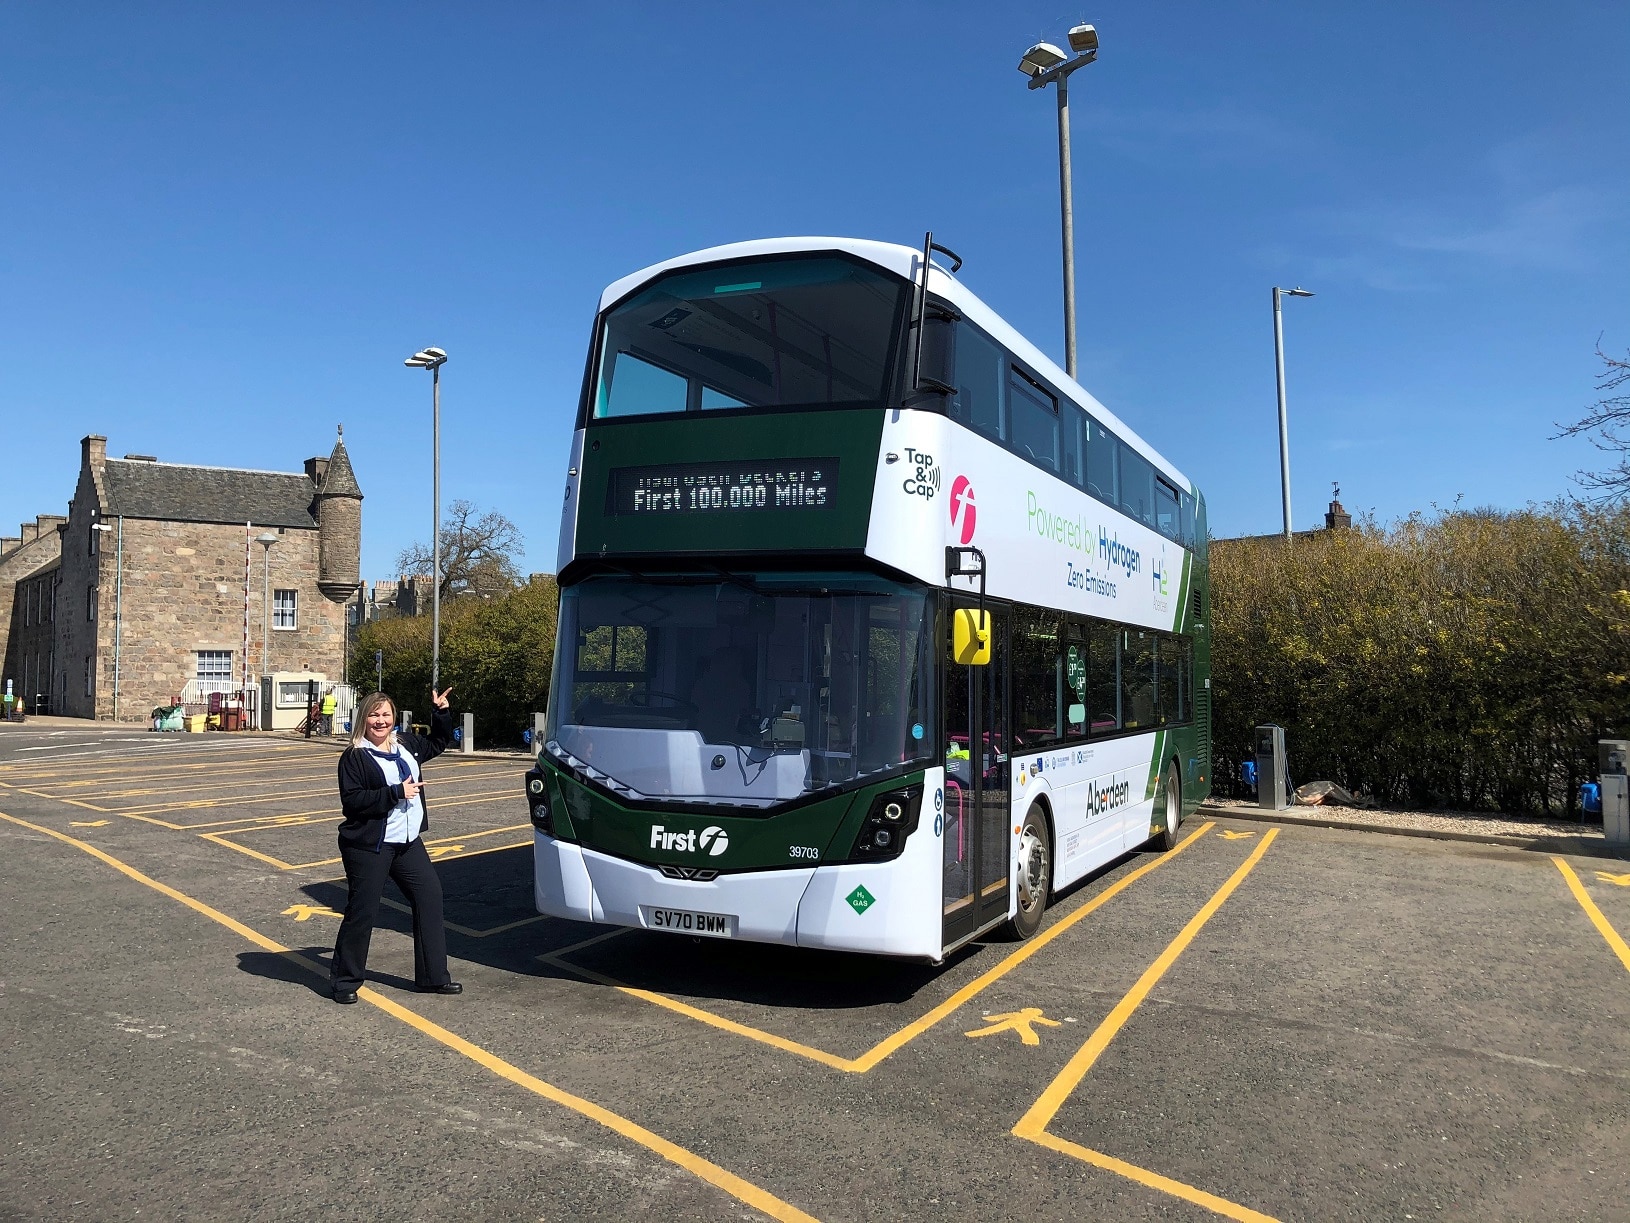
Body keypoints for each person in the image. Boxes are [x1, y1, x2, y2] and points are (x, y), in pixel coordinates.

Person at [329, 686, 461, 1005]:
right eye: (374, 715)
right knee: (363, 910)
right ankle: (344, 980)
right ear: (364, 718)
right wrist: (395, 793)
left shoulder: (405, 745)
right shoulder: (355, 756)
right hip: (369, 845)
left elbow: (438, 742)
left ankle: (432, 977)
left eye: (386, 714)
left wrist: (441, 713)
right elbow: (353, 801)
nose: (380, 720)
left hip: (406, 842)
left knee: (429, 896)